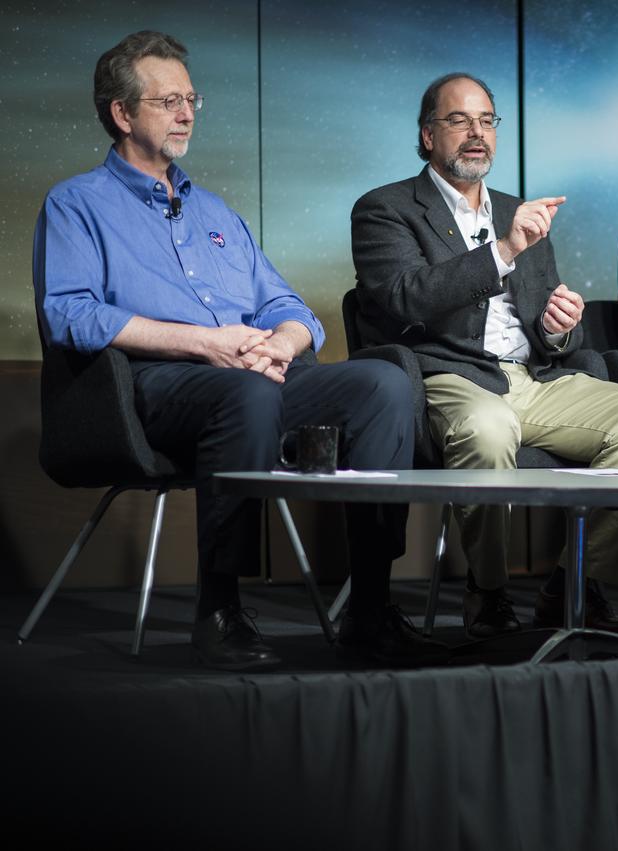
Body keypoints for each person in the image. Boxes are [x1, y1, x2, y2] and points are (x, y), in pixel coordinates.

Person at [34, 31, 436, 671]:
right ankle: (219, 608)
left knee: (380, 385)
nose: (187, 113)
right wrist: (205, 345)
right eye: (169, 101)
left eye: (191, 99)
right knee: (245, 391)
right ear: (122, 113)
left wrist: (281, 342)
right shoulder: (77, 204)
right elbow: (69, 315)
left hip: (253, 374)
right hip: (152, 389)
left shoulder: (217, 212)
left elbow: (294, 309)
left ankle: (372, 605)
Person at [351, 73, 618, 640]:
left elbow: (550, 330)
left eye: (486, 121)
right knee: (489, 426)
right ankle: (488, 590)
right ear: (427, 135)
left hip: (532, 377)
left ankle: (575, 584)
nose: (476, 133)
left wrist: (559, 328)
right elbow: (405, 297)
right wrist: (502, 251)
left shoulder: (518, 211)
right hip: (449, 375)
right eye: (458, 120)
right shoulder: (386, 209)